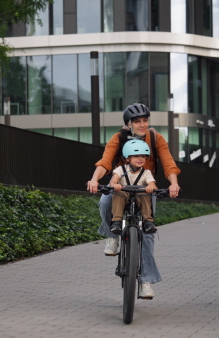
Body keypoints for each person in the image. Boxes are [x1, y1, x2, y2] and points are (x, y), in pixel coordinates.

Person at [87, 103, 181, 299]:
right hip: (120, 186)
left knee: (147, 233)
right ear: (129, 124)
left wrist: (174, 184)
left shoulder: (155, 138)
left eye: (145, 120)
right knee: (105, 202)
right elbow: (105, 161)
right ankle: (112, 236)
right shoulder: (118, 138)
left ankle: (145, 280)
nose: (142, 124)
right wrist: (95, 179)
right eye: (137, 121)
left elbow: (168, 163)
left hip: (145, 188)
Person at [109, 140, 157, 235]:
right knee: (119, 192)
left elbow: (152, 184)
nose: (140, 159)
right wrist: (115, 185)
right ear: (127, 158)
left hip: (138, 198)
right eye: (136, 156)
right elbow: (113, 181)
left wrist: (150, 187)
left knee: (144, 193)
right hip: (124, 197)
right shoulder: (121, 169)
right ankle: (117, 222)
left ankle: (148, 222)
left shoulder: (146, 172)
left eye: (143, 156)